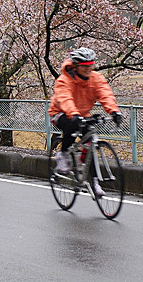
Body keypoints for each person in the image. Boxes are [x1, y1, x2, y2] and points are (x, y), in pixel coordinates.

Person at [47, 47, 123, 197]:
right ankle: (63, 154)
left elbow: (105, 93)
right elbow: (64, 98)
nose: (88, 69)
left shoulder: (96, 78)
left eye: (91, 65)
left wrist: (114, 111)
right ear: (76, 66)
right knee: (72, 123)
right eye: (84, 66)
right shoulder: (64, 80)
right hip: (60, 112)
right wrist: (73, 113)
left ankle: (95, 183)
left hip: (82, 113)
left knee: (91, 145)